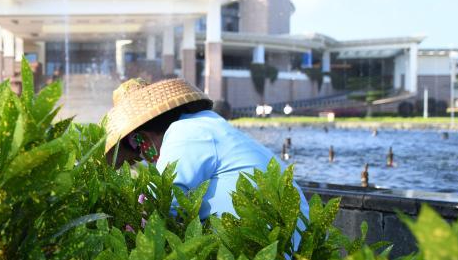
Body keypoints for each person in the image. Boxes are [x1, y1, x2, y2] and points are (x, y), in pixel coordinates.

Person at [104, 77, 309, 228]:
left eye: (136, 144)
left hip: (272, 252)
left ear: (144, 135)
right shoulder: (205, 123)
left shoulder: (185, 132)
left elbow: (161, 204)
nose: (142, 154)